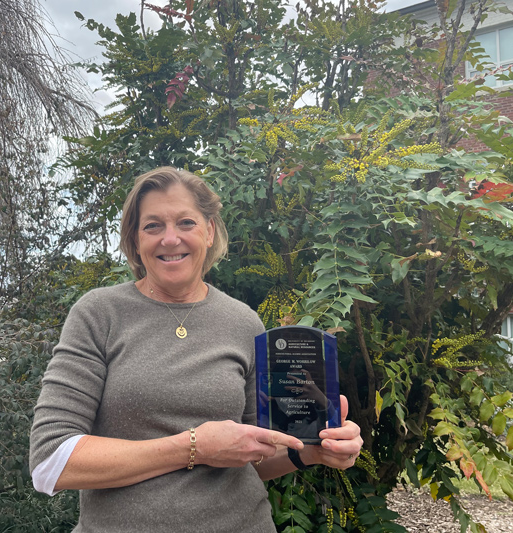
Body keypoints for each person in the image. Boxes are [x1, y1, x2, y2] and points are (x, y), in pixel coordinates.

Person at [28, 166, 363, 532]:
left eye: (185, 222)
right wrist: (194, 447)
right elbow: (51, 462)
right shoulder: (99, 314)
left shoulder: (244, 322)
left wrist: (311, 452)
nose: (170, 239)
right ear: (135, 240)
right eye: (152, 225)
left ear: (209, 231)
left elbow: (253, 455)